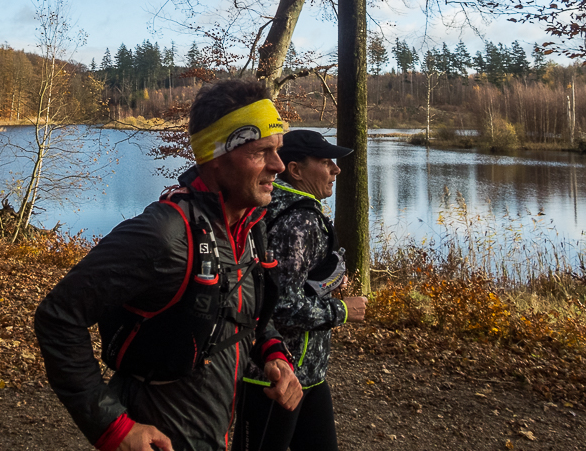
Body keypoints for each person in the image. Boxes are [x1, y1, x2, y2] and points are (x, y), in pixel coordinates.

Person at [34, 79, 302, 451]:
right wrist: (113, 427)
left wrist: (272, 352)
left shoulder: (249, 227)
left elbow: (238, 311)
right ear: (215, 155)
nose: (278, 165)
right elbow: (58, 315)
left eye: (278, 150)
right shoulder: (165, 234)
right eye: (261, 152)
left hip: (217, 432)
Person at [234, 129, 368, 451]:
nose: (336, 170)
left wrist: (328, 282)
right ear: (295, 170)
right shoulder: (300, 221)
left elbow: (289, 282)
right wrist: (343, 310)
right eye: (326, 162)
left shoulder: (272, 206)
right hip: (275, 377)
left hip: (307, 371)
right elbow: (279, 306)